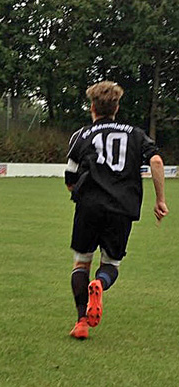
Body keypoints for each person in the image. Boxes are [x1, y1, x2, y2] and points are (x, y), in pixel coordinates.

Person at [65, 81, 168, 340]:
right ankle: (100, 283)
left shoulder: (82, 135)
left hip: (89, 207)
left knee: (81, 263)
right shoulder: (135, 134)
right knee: (111, 264)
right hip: (122, 208)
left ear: (92, 108)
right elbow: (155, 160)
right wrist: (160, 200)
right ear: (117, 107)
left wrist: (81, 194)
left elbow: (69, 178)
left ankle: (81, 322)